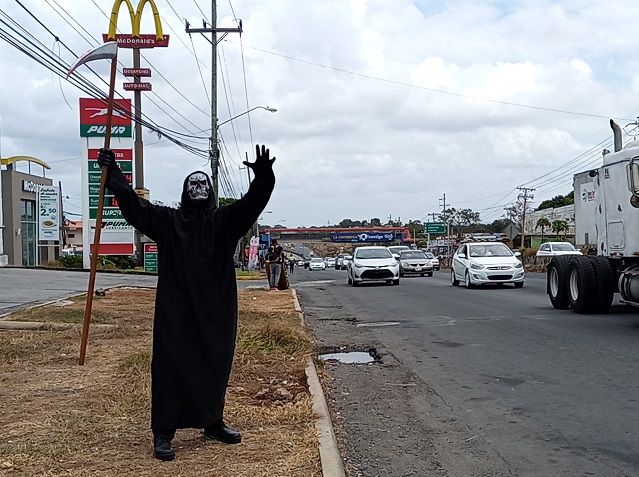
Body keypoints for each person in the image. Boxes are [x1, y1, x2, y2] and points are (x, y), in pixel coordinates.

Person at [97, 144, 276, 461]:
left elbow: (252, 203)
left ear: (209, 191)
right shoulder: (167, 221)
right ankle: (164, 433)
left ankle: (212, 421)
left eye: (202, 184)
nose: (197, 189)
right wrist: (114, 173)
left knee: (214, 364)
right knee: (169, 366)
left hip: (216, 309)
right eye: (192, 184)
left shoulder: (224, 222)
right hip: (176, 309)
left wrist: (263, 177)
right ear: (184, 191)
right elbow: (134, 205)